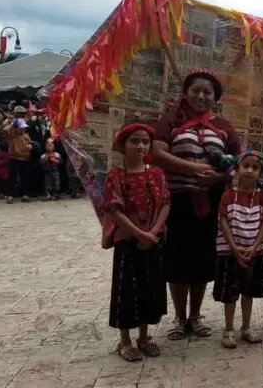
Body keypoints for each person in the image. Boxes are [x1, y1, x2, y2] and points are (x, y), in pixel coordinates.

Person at [152, 69, 241, 341]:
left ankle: (195, 315)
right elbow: (156, 154)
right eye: (196, 91)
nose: (201, 96)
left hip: (211, 203)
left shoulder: (224, 127)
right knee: (177, 261)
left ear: (215, 97)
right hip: (176, 203)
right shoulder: (169, 122)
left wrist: (219, 177)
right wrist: (193, 169)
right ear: (185, 93)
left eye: (207, 92)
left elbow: (238, 164)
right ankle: (179, 318)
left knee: (203, 260)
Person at [102, 122, 170, 362]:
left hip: (153, 240)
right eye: (134, 141)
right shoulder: (116, 176)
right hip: (128, 243)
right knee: (126, 290)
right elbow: (114, 210)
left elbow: (165, 204)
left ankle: (144, 337)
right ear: (123, 145)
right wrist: (140, 235)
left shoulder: (157, 174)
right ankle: (125, 340)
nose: (140, 146)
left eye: (144, 141)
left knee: (149, 289)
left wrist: (153, 232)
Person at [214, 150, 263, 349]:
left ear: (260, 172)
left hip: (254, 253)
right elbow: (223, 221)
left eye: (255, 168)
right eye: (245, 166)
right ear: (237, 169)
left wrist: (255, 247)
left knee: (249, 291)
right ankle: (228, 329)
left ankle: (246, 327)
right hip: (230, 253)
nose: (249, 171)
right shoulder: (228, 195)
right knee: (230, 293)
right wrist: (234, 249)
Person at [4, 118, 34, 203]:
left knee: (25, 178)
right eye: (20, 127)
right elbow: (5, 130)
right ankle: (10, 195)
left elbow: (30, 143)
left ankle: (25, 195)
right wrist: (12, 125)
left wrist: (30, 147)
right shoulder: (11, 135)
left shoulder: (26, 136)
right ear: (15, 127)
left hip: (25, 159)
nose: (22, 129)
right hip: (14, 158)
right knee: (12, 178)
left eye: (23, 127)